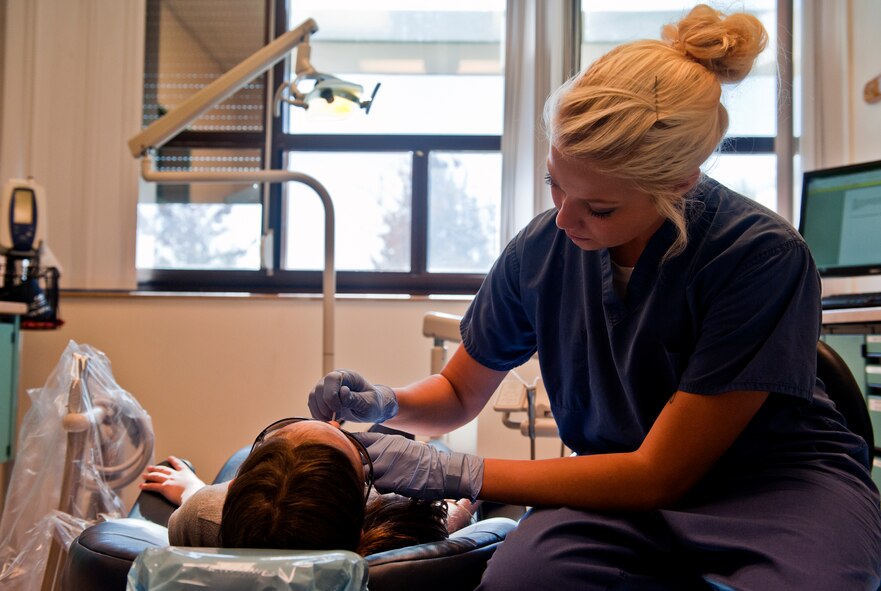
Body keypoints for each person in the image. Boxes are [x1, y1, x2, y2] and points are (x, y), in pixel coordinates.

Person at [307, 4, 881, 589]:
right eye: (555, 183)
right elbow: (457, 392)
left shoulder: (758, 255)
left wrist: (461, 473)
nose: (563, 220)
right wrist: (385, 402)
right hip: (614, 490)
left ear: (679, 183)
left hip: (776, 489)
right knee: (522, 582)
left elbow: (660, 474)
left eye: (599, 207)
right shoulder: (542, 249)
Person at [140, 418, 475, 555]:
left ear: (238, 483)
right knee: (398, 432)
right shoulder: (394, 517)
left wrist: (192, 487)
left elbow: (198, 501)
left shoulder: (201, 517)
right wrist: (459, 509)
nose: (332, 421)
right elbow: (445, 517)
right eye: (353, 446)